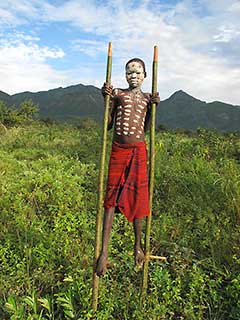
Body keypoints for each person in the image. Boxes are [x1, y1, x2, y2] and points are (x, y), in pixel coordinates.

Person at [96, 58, 160, 276]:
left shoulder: (147, 100)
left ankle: (137, 246)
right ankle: (104, 252)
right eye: (129, 72)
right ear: (125, 76)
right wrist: (106, 99)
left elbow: (148, 128)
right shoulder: (118, 94)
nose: (133, 76)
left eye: (138, 72)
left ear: (144, 76)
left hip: (138, 151)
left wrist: (154, 107)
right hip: (118, 150)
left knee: (139, 198)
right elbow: (108, 124)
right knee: (111, 200)